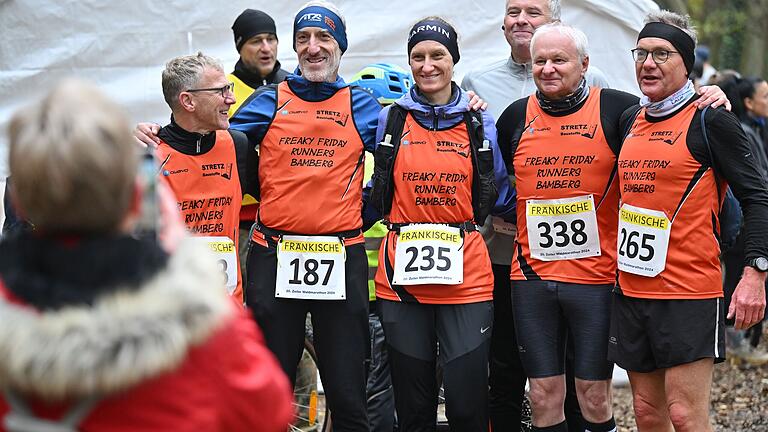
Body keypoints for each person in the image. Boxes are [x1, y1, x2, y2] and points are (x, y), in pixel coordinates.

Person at [0, 79, 293, 432]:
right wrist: (186, 260)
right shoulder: (199, 326)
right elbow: (270, 412)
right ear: (136, 196)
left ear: (19, 203)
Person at [609, 11, 768, 432]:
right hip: (632, 287)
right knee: (645, 411)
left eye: (662, 53)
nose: (648, 63)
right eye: (641, 53)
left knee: (685, 414)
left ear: (686, 63)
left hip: (688, 291)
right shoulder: (630, 119)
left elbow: (758, 196)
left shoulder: (711, 118)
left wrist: (755, 273)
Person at [228, 2, 381, 430]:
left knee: (348, 390)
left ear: (341, 46)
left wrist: (359, 210)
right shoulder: (269, 99)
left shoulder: (363, 105)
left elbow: (396, 163)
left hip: (340, 253)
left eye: (324, 38)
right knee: (271, 384)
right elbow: (223, 140)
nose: (312, 48)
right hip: (275, 254)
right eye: (302, 39)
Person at [461, 2, 609, 428]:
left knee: (580, 378)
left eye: (534, 11)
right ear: (502, 22)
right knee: (506, 370)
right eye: (513, 11)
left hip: (580, 263)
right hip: (507, 256)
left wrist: (707, 96)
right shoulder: (476, 82)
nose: (521, 19)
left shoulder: (596, 84)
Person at [367, 17, 516, 432]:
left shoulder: (477, 121)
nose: (427, 65)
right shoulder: (390, 120)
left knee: (468, 406)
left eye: (438, 56)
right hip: (402, 279)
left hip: (466, 278)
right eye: (418, 56)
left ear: (454, 60)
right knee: (413, 409)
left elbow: (499, 190)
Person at [496, 22, 640, 432]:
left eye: (559, 60)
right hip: (532, 279)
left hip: (595, 280)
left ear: (584, 64)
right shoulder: (514, 117)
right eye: (540, 61)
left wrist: (707, 95)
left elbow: (668, 124)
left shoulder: (616, 109)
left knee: (593, 397)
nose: (548, 69)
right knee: (543, 396)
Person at [154, 52, 249, 302]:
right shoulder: (149, 155)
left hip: (228, 308)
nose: (232, 98)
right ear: (188, 101)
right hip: (171, 310)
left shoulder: (237, 145)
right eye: (221, 91)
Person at [349, 62, 413, 432]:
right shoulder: (393, 151)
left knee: (367, 382)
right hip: (390, 286)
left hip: (362, 288)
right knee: (386, 383)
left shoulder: (353, 151)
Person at [229, 9, 290, 269]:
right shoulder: (223, 90)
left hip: (291, 218)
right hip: (242, 223)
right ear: (240, 46)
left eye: (271, 39)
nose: (266, 48)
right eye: (256, 41)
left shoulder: (295, 84)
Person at [717, 76, 768, 364]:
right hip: (745, 222)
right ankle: (735, 340)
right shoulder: (743, 131)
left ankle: (741, 341)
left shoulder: (754, 128)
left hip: (750, 219)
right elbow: (755, 181)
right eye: (764, 96)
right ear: (748, 102)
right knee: (737, 276)